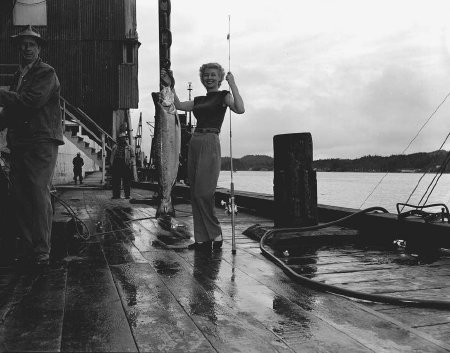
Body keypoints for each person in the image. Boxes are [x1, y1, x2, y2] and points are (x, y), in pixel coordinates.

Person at [0, 25, 64, 267]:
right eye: (23, 44)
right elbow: (10, 112)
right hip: (20, 142)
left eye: (32, 44)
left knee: (37, 192)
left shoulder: (46, 73)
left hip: (41, 140)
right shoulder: (19, 76)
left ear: (39, 49)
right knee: (20, 195)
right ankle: (30, 248)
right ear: (19, 47)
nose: (27, 48)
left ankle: (41, 251)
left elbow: (30, 101)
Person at [163, 63, 244, 251]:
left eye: (213, 75)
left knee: (204, 192)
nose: (209, 78)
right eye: (206, 75)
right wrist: (170, 84)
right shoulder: (199, 100)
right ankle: (201, 239)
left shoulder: (224, 96)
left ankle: (215, 234)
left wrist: (232, 84)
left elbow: (240, 109)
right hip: (195, 141)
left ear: (220, 77)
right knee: (194, 192)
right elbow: (179, 105)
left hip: (210, 141)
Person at [110, 132, 135, 199]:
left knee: (126, 181)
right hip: (116, 164)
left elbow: (133, 156)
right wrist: (111, 164)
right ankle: (116, 195)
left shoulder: (129, 147)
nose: (122, 139)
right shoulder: (115, 147)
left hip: (125, 165)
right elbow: (112, 156)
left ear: (125, 138)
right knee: (116, 181)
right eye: (121, 138)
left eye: (123, 138)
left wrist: (130, 162)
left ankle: (127, 195)